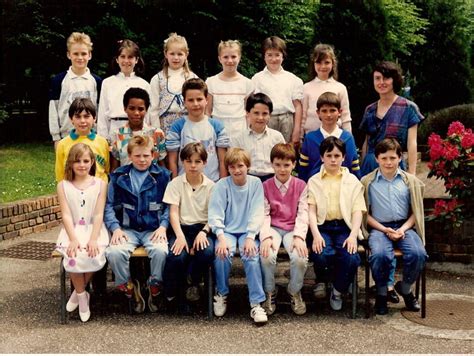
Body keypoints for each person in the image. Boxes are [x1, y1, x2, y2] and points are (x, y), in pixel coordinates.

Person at [359, 61, 424, 299]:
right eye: (377, 78)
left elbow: (412, 143)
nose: (381, 82)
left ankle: (394, 285)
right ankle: (384, 286)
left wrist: (412, 176)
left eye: (386, 78)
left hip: (397, 166)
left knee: (396, 218)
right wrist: (362, 170)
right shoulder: (369, 109)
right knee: (376, 219)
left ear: (394, 80)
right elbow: (366, 143)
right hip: (371, 167)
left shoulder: (408, 107)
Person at [104, 135, 171, 314]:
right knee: (114, 252)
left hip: (153, 229)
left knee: (161, 251)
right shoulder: (118, 177)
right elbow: (109, 206)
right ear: (130, 156)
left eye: (146, 156)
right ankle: (128, 287)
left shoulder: (163, 176)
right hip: (127, 229)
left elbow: (169, 206)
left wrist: (164, 226)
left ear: (153, 155)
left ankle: (154, 286)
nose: (142, 160)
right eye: (137, 156)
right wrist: (115, 228)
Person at [361, 138, 427, 315]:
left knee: (418, 254)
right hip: (379, 228)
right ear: (376, 159)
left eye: (392, 158)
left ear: (400, 158)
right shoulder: (368, 183)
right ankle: (382, 294)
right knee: (380, 255)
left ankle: (405, 288)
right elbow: (365, 214)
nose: (388, 162)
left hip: (404, 227)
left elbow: (417, 212)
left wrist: (403, 229)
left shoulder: (410, 182)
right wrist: (384, 229)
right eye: (384, 158)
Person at [208, 148, 268, 324]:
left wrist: (251, 236)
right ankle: (222, 293)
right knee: (222, 254)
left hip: (247, 231)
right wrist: (220, 237)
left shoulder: (256, 183)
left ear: (247, 166)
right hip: (227, 230)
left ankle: (256, 303)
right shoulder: (221, 185)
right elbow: (215, 213)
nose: (237, 170)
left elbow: (258, 212)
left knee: (251, 255)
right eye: (232, 166)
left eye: (240, 166)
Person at [306, 136, 366, 311]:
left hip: (344, 228)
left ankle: (338, 290)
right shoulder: (314, 180)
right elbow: (311, 211)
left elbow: (357, 210)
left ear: (343, 157)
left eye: (337, 155)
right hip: (322, 227)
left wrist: (353, 235)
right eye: (329, 155)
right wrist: (316, 235)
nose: (333, 159)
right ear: (322, 157)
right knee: (321, 253)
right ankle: (325, 281)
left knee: (351, 256)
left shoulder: (352, 181)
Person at [55, 143, 108, 322]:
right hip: (73, 230)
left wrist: (93, 238)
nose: (82, 165)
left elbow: (99, 213)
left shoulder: (100, 184)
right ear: (70, 163)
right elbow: (66, 214)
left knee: (92, 254)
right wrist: (73, 238)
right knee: (73, 255)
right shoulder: (63, 185)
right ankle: (83, 296)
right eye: (77, 161)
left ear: (92, 162)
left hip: (94, 229)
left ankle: (78, 293)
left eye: (86, 160)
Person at [162, 142, 215, 314]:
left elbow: (215, 216)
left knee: (206, 252)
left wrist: (203, 232)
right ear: (182, 162)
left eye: (197, 161)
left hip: (202, 228)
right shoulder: (175, 184)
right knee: (177, 256)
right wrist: (179, 236)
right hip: (181, 228)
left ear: (204, 163)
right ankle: (172, 293)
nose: (193, 166)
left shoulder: (212, 186)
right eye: (188, 161)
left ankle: (192, 279)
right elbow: (173, 213)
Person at [260, 143, 309, 316]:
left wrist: (298, 236)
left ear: (294, 164)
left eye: (287, 165)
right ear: (272, 164)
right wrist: (265, 236)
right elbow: (264, 214)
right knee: (267, 256)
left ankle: (294, 291)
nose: (282, 169)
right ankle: (270, 291)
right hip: (272, 227)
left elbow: (303, 213)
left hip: (292, 228)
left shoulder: (301, 185)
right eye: (278, 165)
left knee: (300, 257)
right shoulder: (265, 186)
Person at [166, 78, 230, 182]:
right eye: (190, 100)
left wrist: (222, 185)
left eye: (199, 99)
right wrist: (175, 183)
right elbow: (172, 161)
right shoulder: (177, 127)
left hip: (212, 182)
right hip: (185, 183)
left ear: (206, 100)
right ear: (184, 102)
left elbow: (222, 160)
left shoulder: (217, 126)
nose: (195, 104)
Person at [49, 32, 102, 149]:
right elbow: (53, 110)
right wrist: (56, 138)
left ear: (90, 55)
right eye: (75, 54)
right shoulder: (59, 80)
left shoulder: (96, 81)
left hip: (90, 136)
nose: (80, 57)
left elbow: (100, 110)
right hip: (66, 137)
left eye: (83, 54)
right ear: (69, 55)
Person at [252, 36, 303, 145]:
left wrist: (297, 130)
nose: (273, 59)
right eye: (269, 55)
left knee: (286, 153)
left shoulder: (293, 79)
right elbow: (254, 105)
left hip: (287, 120)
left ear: (283, 56)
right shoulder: (257, 79)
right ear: (264, 57)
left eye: (277, 55)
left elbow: (298, 106)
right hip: (266, 119)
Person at [299, 92, 360, 182]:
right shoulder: (310, 138)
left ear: (339, 112)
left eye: (332, 110)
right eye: (324, 111)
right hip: (317, 186)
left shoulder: (347, 138)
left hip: (343, 187)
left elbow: (354, 168)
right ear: (318, 113)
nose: (328, 115)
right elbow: (303, 169)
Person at [97, 39, 151, 143]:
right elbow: (103, 113)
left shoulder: (144, 85)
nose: (126, 61)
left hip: (137, 131)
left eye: (130, 57)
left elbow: (147, 114)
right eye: (122, 56)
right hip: (114, 130)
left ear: (137, 60)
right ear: (117, 59)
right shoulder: (108, 83)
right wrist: (103, 138)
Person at [149, 33, 198, 135]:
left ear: (186, 55)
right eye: (172, 54)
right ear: (166, 54)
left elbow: (197, 106)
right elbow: (153, 108)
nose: (176, 58)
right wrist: (157, 130)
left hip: (188, 126)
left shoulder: (192, 78)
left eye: (180, 54)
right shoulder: (157, 79)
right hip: (164, 128)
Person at [301, 44, 352, 140]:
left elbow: (345, 118)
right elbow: (302, 117)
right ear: (314, 64)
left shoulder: (340, 88)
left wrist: (348, 139)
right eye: (319, 62)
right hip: (312, 138)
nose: (323, 66)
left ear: (333, 64)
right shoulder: (306, 88)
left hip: (335, 140)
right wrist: (299, 139)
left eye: (327, 62)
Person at [205, 40, 254, 140]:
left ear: (239, 58)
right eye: (226, 57)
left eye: (233, 57)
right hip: (217, 128)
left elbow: (248, 113)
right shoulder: (211, 82)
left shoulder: (247, 83)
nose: (230, 61)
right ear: (219, 59)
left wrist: (249, 132)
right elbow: (208, 111)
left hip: (240, 130)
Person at [231, 92, 285, 182]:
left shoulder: (277, 137)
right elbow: (234, 163)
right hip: (247, 179)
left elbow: (283, 160)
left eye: (264, 114)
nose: (260, 117)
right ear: (248, 113)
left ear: (270, 115)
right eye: (256, 113)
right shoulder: (238, 138)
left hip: (272, 178)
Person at [110, 87, 166, 171]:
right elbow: (115, 168)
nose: (136, 113)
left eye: (141, 109)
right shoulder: (117, 135)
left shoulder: (157, 134)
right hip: (125, 182)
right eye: (132, 108)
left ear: (146, 110)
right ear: (125, 109)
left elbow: (162, 165)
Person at [55, 98, 109, 182]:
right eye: (78, 117)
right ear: (71, 119)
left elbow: (106, 169)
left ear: (94, 118)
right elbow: (60, 174)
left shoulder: (102, 142)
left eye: (86, 116)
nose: (82, 121)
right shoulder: (63, 144)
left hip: (99, 190)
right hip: (74, 189)